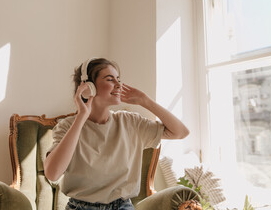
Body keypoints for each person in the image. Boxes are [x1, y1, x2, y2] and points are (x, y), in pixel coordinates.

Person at [44, 58, 190, 210]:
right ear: (89, 87)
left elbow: (180, 132)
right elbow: (52, 173)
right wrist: (81, 116)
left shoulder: (130, 122)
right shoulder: (68, 126)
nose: (119, 85)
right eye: (110, 79)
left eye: (118, 79)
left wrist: (145, 100)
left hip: (122, 207)